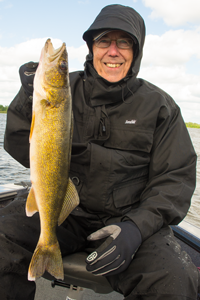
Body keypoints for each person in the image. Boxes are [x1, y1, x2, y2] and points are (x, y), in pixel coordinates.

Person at [1, 4, 199, 300]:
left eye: (124, 42)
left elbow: (175, 179)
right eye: (104, 40)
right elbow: (20, 144)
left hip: (127, 220)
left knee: (173, 282)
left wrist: (136, 228)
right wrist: (27, 97)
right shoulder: (63, 89)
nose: (113, 51)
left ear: (137, 50)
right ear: (92, 47)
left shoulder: (161, 106)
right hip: (65, 213)